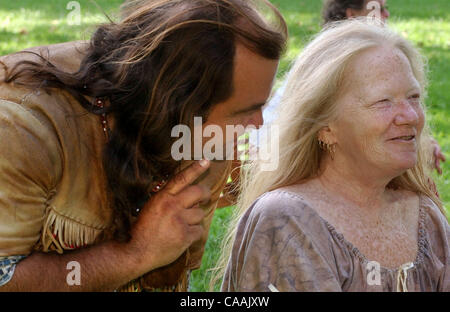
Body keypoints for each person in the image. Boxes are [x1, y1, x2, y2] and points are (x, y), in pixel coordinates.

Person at [0, 0, 287, 291]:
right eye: (244, 111)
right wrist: (135, 255)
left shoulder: (207, 143)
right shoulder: (22, 129)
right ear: (180, 107)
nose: (258, 124)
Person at [219, 19, 449, 292]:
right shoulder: (287, 220)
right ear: (326, 128)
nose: (411, 116)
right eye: (383, 101)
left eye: (413, 97)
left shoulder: (425, 216)